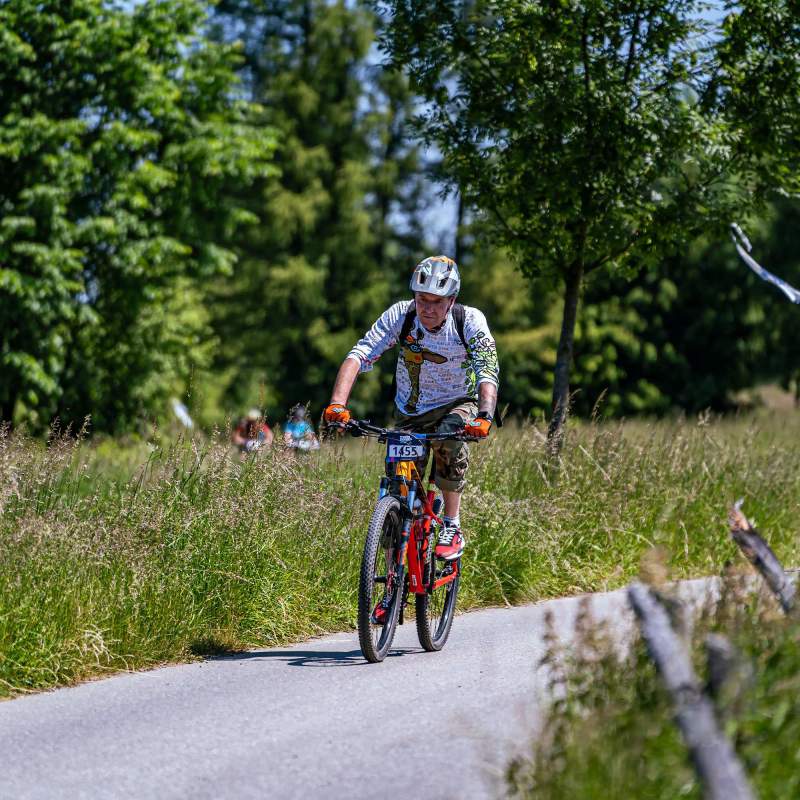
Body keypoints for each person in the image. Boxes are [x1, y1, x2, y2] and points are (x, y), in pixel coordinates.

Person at [323, 254, 499, 569]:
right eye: (421, 299)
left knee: (450, 443)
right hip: (411, 412)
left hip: (460, 401)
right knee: (399, 491)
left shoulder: (469, 320)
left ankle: (451, 525)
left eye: (436, 301)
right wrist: (338, 403)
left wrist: (484, 415)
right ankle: (392, 584)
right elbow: (360, 354)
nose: (427, 308)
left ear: (452, 300)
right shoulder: (400, 316)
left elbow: (487, 369)